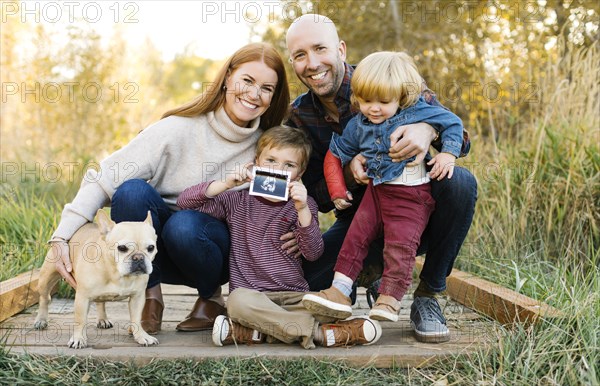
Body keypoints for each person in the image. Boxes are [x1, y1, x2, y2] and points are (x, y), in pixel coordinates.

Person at [48, 42, 290, 334]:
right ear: (227, 78)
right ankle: (149, 294)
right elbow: (103, 177)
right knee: (131, 192)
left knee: (185, 225)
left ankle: (210, 298)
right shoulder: (178, 128)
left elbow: (281, 203)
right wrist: (61, 236)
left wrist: (295, 226)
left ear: (274, 96)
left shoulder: (269, 148)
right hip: (155, 250)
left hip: (214, 254)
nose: (254, 94)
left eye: (266, 88)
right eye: (247, 81)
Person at [285, 14, 478, 343]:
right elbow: (316, 195)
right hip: (360, 219)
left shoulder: (387, 77)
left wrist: (426, 129)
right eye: (300, 55)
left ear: (341, 49)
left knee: (460, 183)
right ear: (293, 62)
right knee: (305, 275)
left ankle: (428, 295)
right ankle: (369, 273)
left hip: (414, 210)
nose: (312, 63)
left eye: (320, 49)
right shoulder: (298, 115)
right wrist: (347, 174)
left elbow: (462, 140)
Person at [177, 126, 382, 349]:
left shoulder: (302, 206)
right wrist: (225, 184)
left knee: (323, 304)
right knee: (236, 303)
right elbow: (185, 203)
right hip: (252, 297)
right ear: (256, 163)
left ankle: (257, 332)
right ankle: (319, 334)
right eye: (271, 161)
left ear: (299, 174)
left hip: (294, 297)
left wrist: (303, 209)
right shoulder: (237, 201)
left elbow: (313, 253)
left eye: (289, 165)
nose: (277, 169)